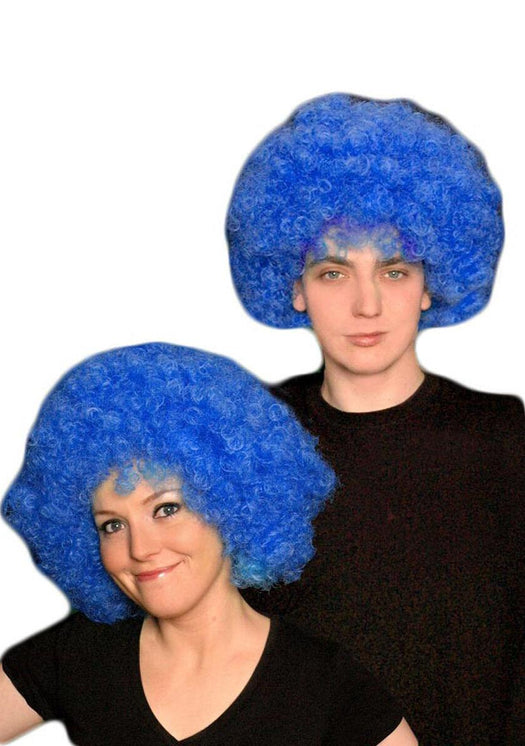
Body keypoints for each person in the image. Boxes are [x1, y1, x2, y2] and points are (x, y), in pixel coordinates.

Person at [227, 93, 524, 745]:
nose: (367, 304)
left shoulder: (505, 445)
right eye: (334, 272)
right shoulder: (249, 443)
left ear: (428, 284)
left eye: (393, 270)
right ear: (296, 287)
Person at [0, 342, 417, 745]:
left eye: (166, 509)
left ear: (230, 507)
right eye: (112, 525)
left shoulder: (323, 683)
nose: (140, 549)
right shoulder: (76, 656)